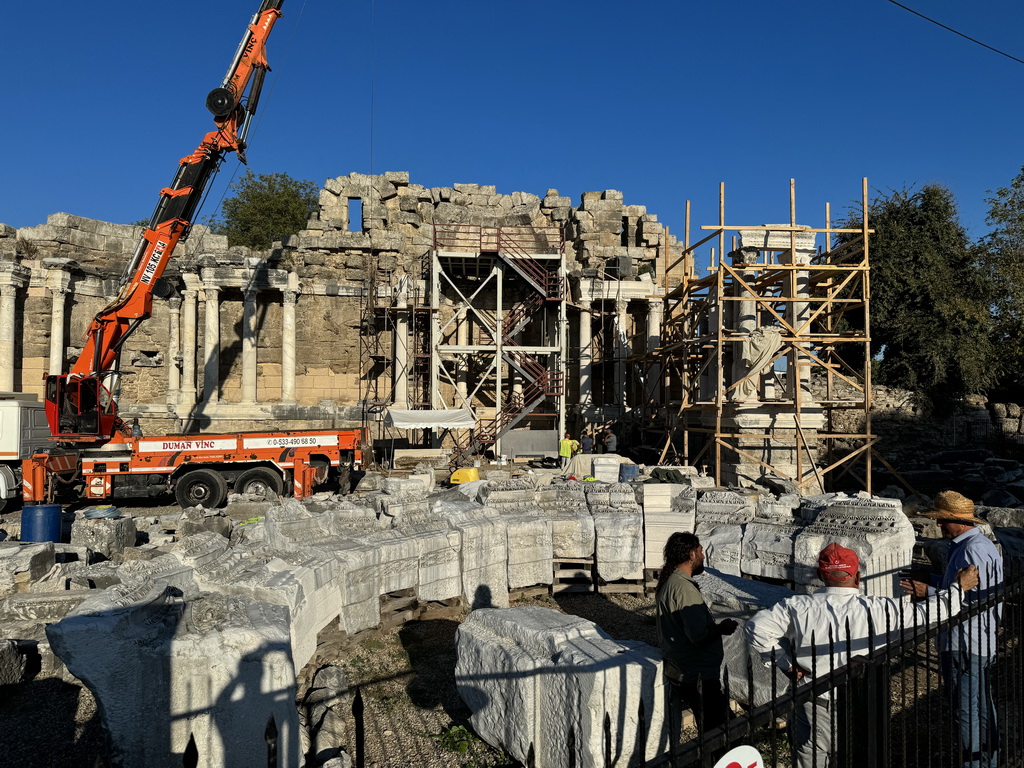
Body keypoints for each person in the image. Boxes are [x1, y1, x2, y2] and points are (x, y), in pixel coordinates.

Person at [747, 542, 978, 768]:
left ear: (820, 574)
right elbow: (934, 612)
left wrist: (785, 664)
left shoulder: (797, 606)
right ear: (857, 577)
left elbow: (756, 628)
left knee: (812, 756)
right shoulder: (879, 608)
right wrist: (959, 588)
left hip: (815, 696)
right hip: (861, 698)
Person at [906, 491, 1003, 768]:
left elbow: (974, 599)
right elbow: (968, 587)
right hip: (979, 639)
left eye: (942, 521)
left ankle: (974, 763)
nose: (938, 526)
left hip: (965, 639)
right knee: (982, 704)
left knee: (966, 709)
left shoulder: (970, 549)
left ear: (955, 521)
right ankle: (988, 759)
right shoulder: (979, 544)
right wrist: (933, 578)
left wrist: (929, 591)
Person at [656, 532, 738, 749]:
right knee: (723, 732)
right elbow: (698, 636)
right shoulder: (684, 588)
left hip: (684, 669)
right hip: (696, 673)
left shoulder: (672, 581)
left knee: (714, 726)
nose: (703, 556)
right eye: (701, 551)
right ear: (692, 554)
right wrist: (722, 628)